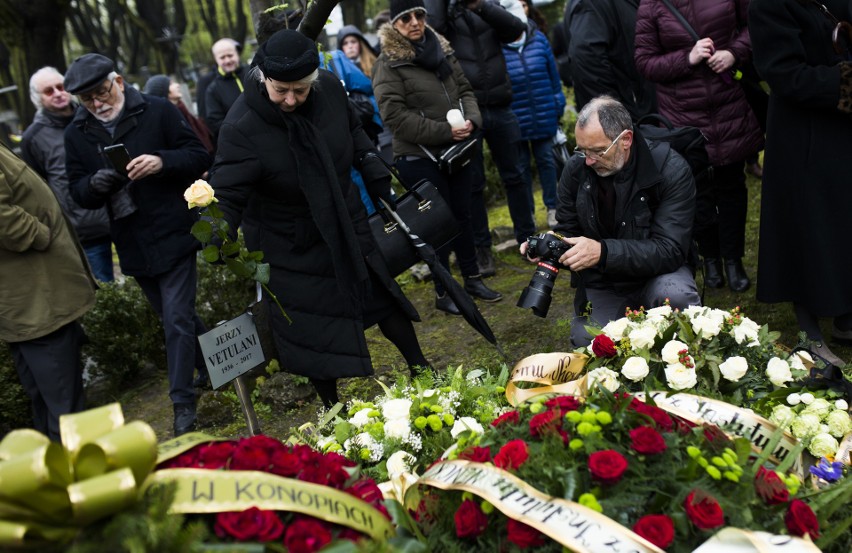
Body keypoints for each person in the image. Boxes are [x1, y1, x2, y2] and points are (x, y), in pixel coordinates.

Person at [208, 29, 431, 408]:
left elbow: (353, 130)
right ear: (264, 78)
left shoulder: (328, 88)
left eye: (300, 89)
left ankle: (422, 368)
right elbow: (227, 191)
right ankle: (332, 408)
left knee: (379, 296)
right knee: (312, 328)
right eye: (282, 90)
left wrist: (371, 163)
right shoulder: (241, 126)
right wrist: (217, 230)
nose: (291, 100)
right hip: (289, 241)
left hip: (344, 220)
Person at [63, 53, 212, 436]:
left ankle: (182, 404)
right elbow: (76, 191)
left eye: (101, 92)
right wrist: (93, 185)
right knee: (174, 318)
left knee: (177, 318)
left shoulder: (158, 109)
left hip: (175, 230)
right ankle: (215, 363)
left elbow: (198, 155)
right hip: (131, 240)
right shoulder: (76, 132)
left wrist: (162, 162)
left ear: (120, 81)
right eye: (87, 99)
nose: (97, 104)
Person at [522, 96, 700, 347]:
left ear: (626, 140)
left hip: (660, 274)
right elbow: (568, 230)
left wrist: (603, 252)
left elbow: (670, 250)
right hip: (604, 281)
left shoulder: (670, 170)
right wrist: (550, 244)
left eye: (597, 151)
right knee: (589, 342)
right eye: (582, 150)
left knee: (677, 298)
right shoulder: (576, 170)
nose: (589, 161)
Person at [373, 0, 504, 315]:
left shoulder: (442, 48)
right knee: (436, 225)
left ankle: (472, 278)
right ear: (395, 24)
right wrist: (445, 131)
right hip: (419, 157)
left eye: (419, 15)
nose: (415, 22)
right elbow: (394, 117)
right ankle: (444, 291)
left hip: (455, 151)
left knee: (464, 214)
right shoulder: (387, 62)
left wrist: (472, 121)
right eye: (406, 18)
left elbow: (465, 90)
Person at [635, 0, 764, 293]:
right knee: (697, 193)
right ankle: (710, 259)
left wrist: (733, 52)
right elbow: (644, 62)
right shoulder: (651, 5)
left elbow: (753, 26)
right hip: (683, 116)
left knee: (732, 185)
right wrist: (687, 57)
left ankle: (734, 260)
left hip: (728, 104)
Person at [749, 0, 852, 366]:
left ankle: (845, 317)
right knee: (807, 231)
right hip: (801, 137)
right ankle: (810, 334)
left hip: (841, 132)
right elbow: (782, 73)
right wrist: (845, 82)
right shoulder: (769, 6)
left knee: (843, 224)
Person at [425, 0, 536, 277]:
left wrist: (480, 5)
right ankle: (482, 248)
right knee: (473, 185)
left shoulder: (486, 7)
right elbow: (433, 31)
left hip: (501, 105)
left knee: (517, 175)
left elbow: (515, 29)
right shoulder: (445, 13)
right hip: (467, 110)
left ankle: (528, 239)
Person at [0, 142, 97, 441]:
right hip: (36, 299)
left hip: (31, 298)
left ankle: (54, 477)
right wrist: (40, 234)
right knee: (65, 410)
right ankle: (75, 480)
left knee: (50, 405)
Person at [21, 67, 114, 282]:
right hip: (84, 228)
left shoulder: (95, 115)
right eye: (48, 91)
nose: (57, 93)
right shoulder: (33, 138)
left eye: (61, 87)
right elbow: (39, 186)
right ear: (38, 98)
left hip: (120, 213)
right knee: (107, 291)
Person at [502, 2, 566, 229]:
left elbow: (554, 78)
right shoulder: (497, 46)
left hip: (543, 113)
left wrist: (558, 104)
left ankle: (553, 207)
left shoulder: (539, 39)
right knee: (520, 169)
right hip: (516, 120)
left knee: (547, 162)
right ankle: (526, 213)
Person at [563, 0, 656, 121]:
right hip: (634, 119)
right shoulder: (592, 4)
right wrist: (616, 118)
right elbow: (586, 61)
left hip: (646, 113)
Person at [144, 74, 215, 155]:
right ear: (163, 91)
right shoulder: (168, 118)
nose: (177, 85)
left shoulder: (182, 109)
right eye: (171, 84)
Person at [204, 38, 247, 139]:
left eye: (230, 55)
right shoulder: (212, 90)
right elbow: (215, 122)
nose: (227, 60)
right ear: (216, 59)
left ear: (237, 54)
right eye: (222, 57)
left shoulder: (252, 73)